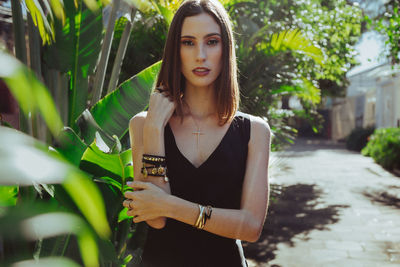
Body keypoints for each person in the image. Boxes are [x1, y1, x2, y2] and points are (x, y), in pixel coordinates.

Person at [123, 0, 271, 266]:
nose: (200, 55)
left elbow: (250, 227)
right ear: (175, 50)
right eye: (188, 42)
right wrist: (155, 128)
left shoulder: (255, 132)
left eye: (211, 41)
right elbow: (155, 220)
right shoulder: (144, 125)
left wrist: (170, 205)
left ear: (225, 48)